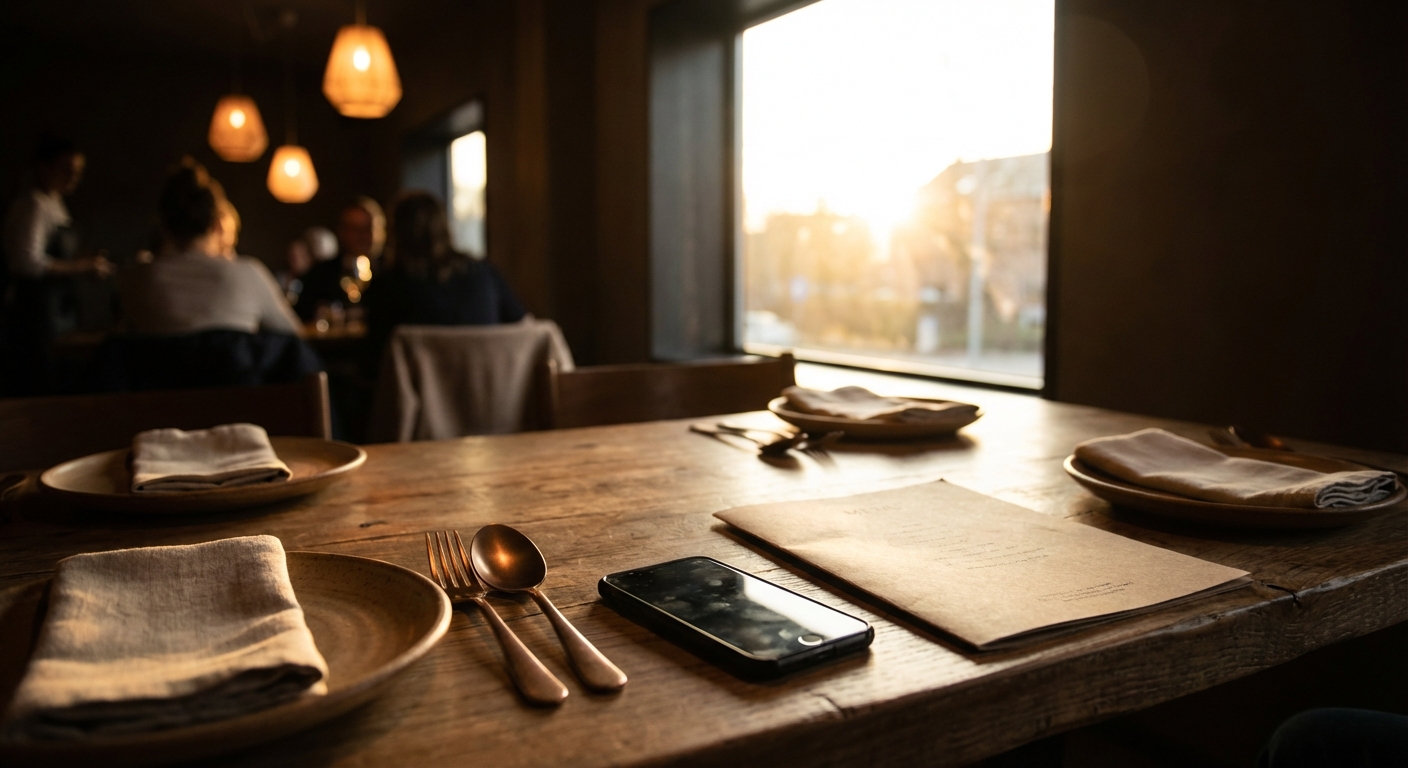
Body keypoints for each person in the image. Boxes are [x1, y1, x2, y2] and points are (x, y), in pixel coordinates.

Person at [119, 159, 300, 336]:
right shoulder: (248, 275)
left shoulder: (133, 280)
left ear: (165, 228)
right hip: (232, 367)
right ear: (217, 225)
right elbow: (295, 338)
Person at [2, 136, 112, 394]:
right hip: (35, 311)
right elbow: (27, 263)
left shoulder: (56, 205)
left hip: (59, 307)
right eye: (66, 170)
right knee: (40, 378)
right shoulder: (32, 206)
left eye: (78, 171)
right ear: (43, 168)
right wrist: (82, 267)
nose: (73, 176)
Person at [362, 190, 526, 358]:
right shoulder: (483, 273)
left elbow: (373, 360)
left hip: (417, 384)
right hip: (488, 382)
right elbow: (522, 327)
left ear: (395, 232)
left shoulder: (388, 286)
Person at [296, 197, 385, 321]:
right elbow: (302, 312)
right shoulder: (320, 274)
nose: (361, 236)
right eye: (354, 229)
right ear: (342, 231)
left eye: (367, 228)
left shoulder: (388, 273)